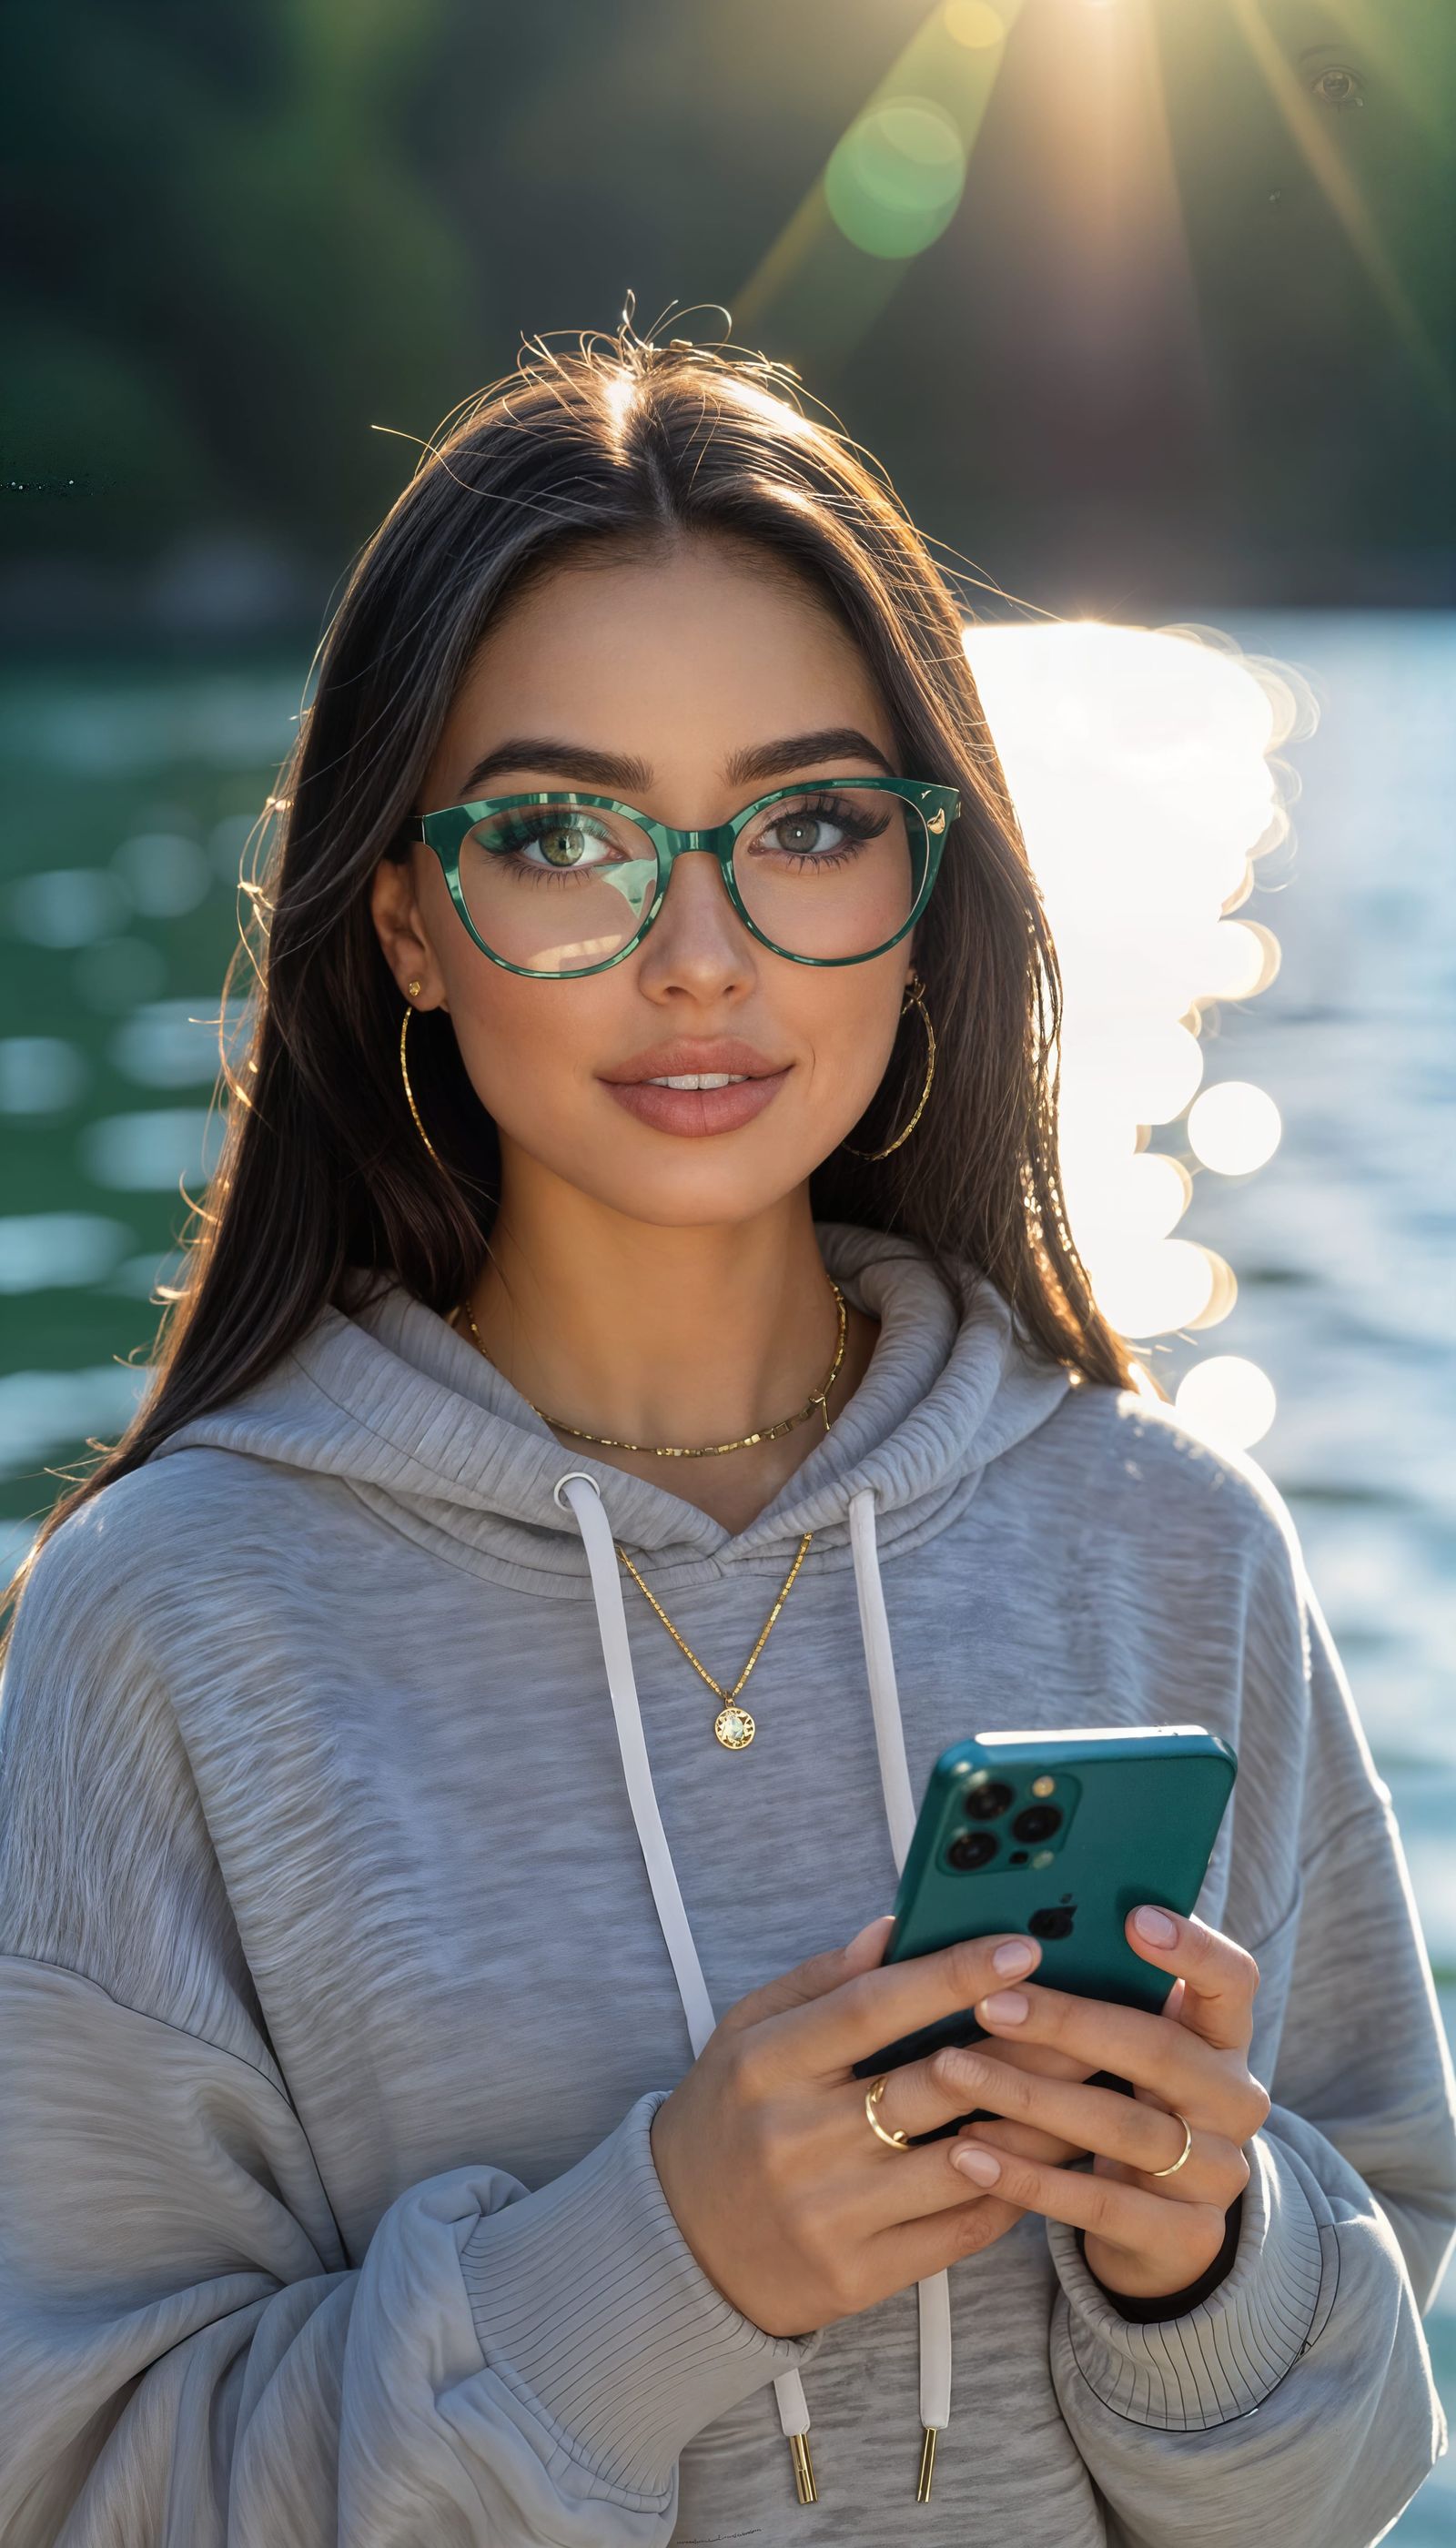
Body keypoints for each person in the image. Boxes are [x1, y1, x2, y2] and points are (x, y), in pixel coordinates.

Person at [0, 328, 1451, 2548]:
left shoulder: (1171, 1550)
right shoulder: (166, 1630)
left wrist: (1206, 2250)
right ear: (403, 912)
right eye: (566, 833)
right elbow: (76, 2488)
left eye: (807, 822)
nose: (703, 952)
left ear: (920, 886)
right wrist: (661, 2262)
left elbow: (1354, 2463)